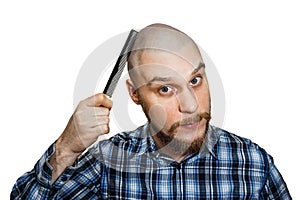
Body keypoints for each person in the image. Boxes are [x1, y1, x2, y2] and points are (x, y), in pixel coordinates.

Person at [11, 23, 291, 199]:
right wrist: (67, 148)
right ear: (134, 94)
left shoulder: (254, 164)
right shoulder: (107, 163)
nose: (191, 106)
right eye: (165, 90)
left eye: (195, 80)